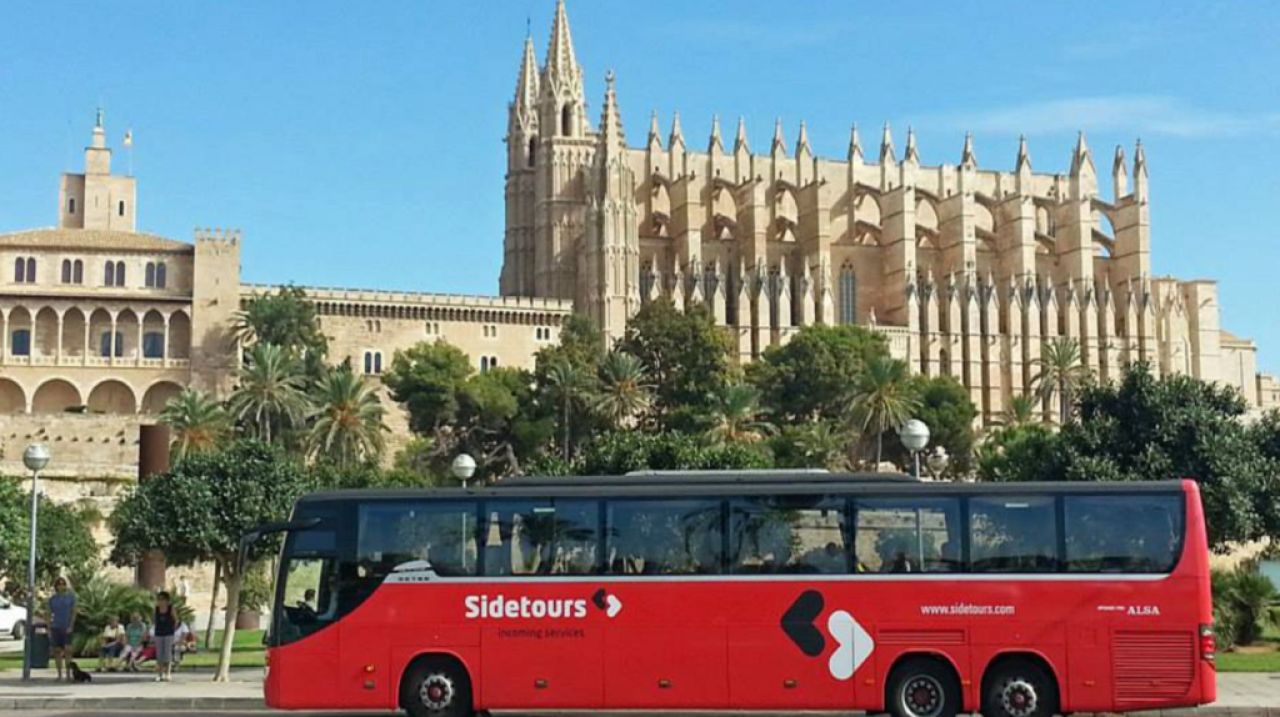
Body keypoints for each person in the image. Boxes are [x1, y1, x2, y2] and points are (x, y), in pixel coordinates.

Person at [48, 577, 77, 682]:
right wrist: (49, 627)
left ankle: (69, 674)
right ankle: (59, 674)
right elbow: (49, 613)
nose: (61, 586)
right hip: (56, 626)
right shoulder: (52, 599)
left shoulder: (70, 598)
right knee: (57, 651)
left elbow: (74, 612)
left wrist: (71, 625)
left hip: (66, 626)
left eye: (63, 584)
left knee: (68, 651)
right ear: (56, 586)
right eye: (59, 584)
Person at [151, 591, 179, 682]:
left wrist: (172, 629)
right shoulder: (156, 609)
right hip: (159, 633)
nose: (160, 602)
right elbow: (154, 620)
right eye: (159, 599)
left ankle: (168, 673)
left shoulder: (171, 609)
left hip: (168, 633)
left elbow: (176, 620)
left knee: (167, 654)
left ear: (167, 601)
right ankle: (160, 674)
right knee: (159, 655)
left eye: (162, 599)